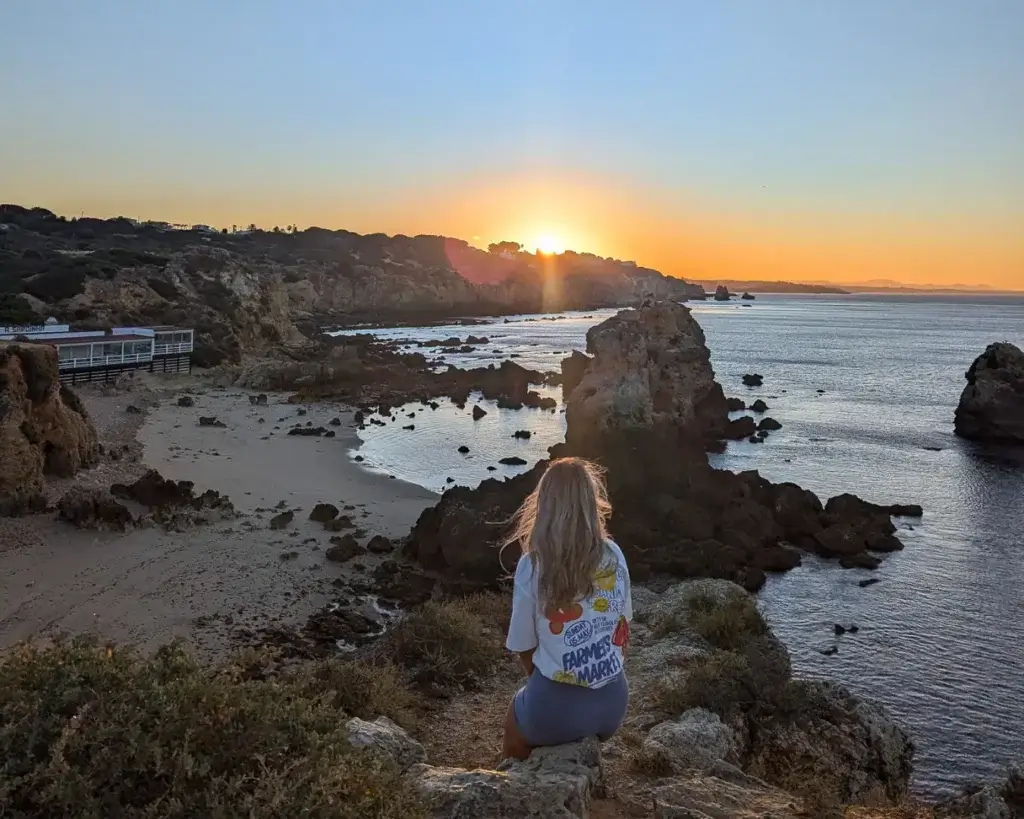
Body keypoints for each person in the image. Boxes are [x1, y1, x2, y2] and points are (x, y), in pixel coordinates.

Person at [501, 457, 632, 760]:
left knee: (514, 721)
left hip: (554, 709)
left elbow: (522, 646)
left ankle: (509, 791)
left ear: (543, 505)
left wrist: (555, 682)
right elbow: (623, 633)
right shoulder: (613, 554)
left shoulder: (533, 565)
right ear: (591, 502)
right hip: (612, 704)